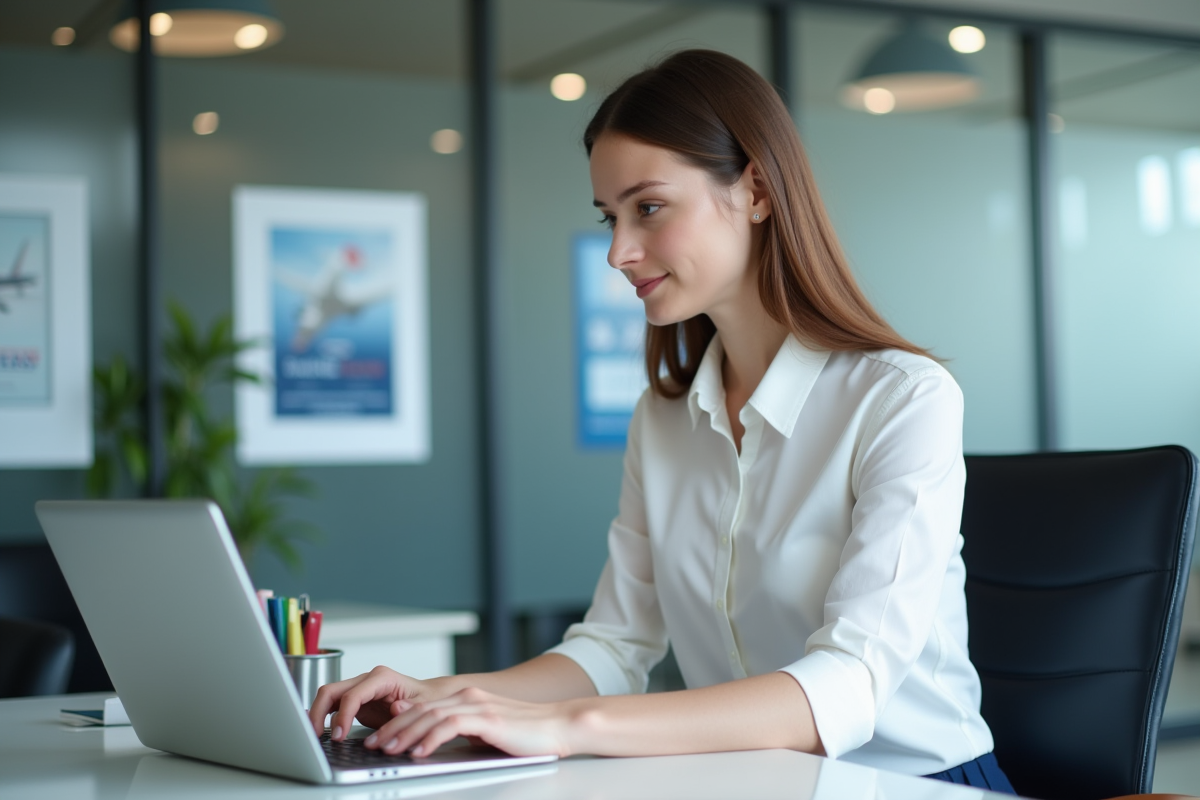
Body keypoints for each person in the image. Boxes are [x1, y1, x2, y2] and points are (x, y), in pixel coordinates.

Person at [309, 49, 1015, 793]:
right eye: (610, 217)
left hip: (919, 784)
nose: (618, 250)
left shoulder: (902, 398)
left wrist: (564, 727)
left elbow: (848, 683)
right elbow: (616, 644)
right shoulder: (664, 417)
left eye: (648, 208)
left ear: (758, 191)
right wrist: (448, 695)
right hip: (758, 784)